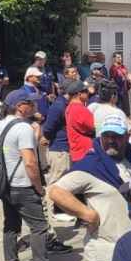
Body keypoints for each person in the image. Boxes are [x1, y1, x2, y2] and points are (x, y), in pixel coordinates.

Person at [49, 116, 131, 261]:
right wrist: (86, 213)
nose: (111, 140)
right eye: (107, 136)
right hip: (106, 251)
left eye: (117, 136)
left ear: (127, 137)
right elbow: (56, 191)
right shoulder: (92, 165)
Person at [0, 90, 71, 261]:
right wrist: (39, 188)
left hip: (5, 185)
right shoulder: (23, 128)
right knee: (39, 228)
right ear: (20, 107)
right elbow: (30, 162)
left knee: (11, 228)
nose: (35, 106)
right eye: (30, 103)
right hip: (23, 185)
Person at [42, 86, 75, 223]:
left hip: (64, 149)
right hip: (58, 150)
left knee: (63, 182)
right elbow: (48, 128)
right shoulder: (58, 106)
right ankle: (49, 212)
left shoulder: (65, 105)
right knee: (55, 182)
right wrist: (47, 138)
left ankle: (60, 211)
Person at [64, 80, 95, 163]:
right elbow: (94, 127)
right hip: (85, 153)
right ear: (79, 94)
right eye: (86, 91)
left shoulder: (70, 107)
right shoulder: (79, 109)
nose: (88, 93)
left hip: (78, 152)